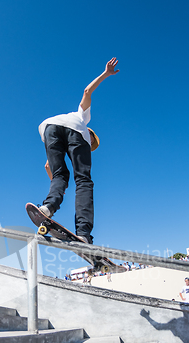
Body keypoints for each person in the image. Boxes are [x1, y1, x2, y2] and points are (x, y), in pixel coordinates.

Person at [38, 57, 120, 244]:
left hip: (49, 128)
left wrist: (58, 191)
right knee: (83, 180)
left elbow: (47, 166)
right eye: (91, 142)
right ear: (89, 134)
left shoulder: (66, 121)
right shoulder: (83, 117)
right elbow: (87, 91)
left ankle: (47, 207)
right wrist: (106, 74)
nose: (90, 146)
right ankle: (83, 232)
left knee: (61, 174)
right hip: (72, 128)